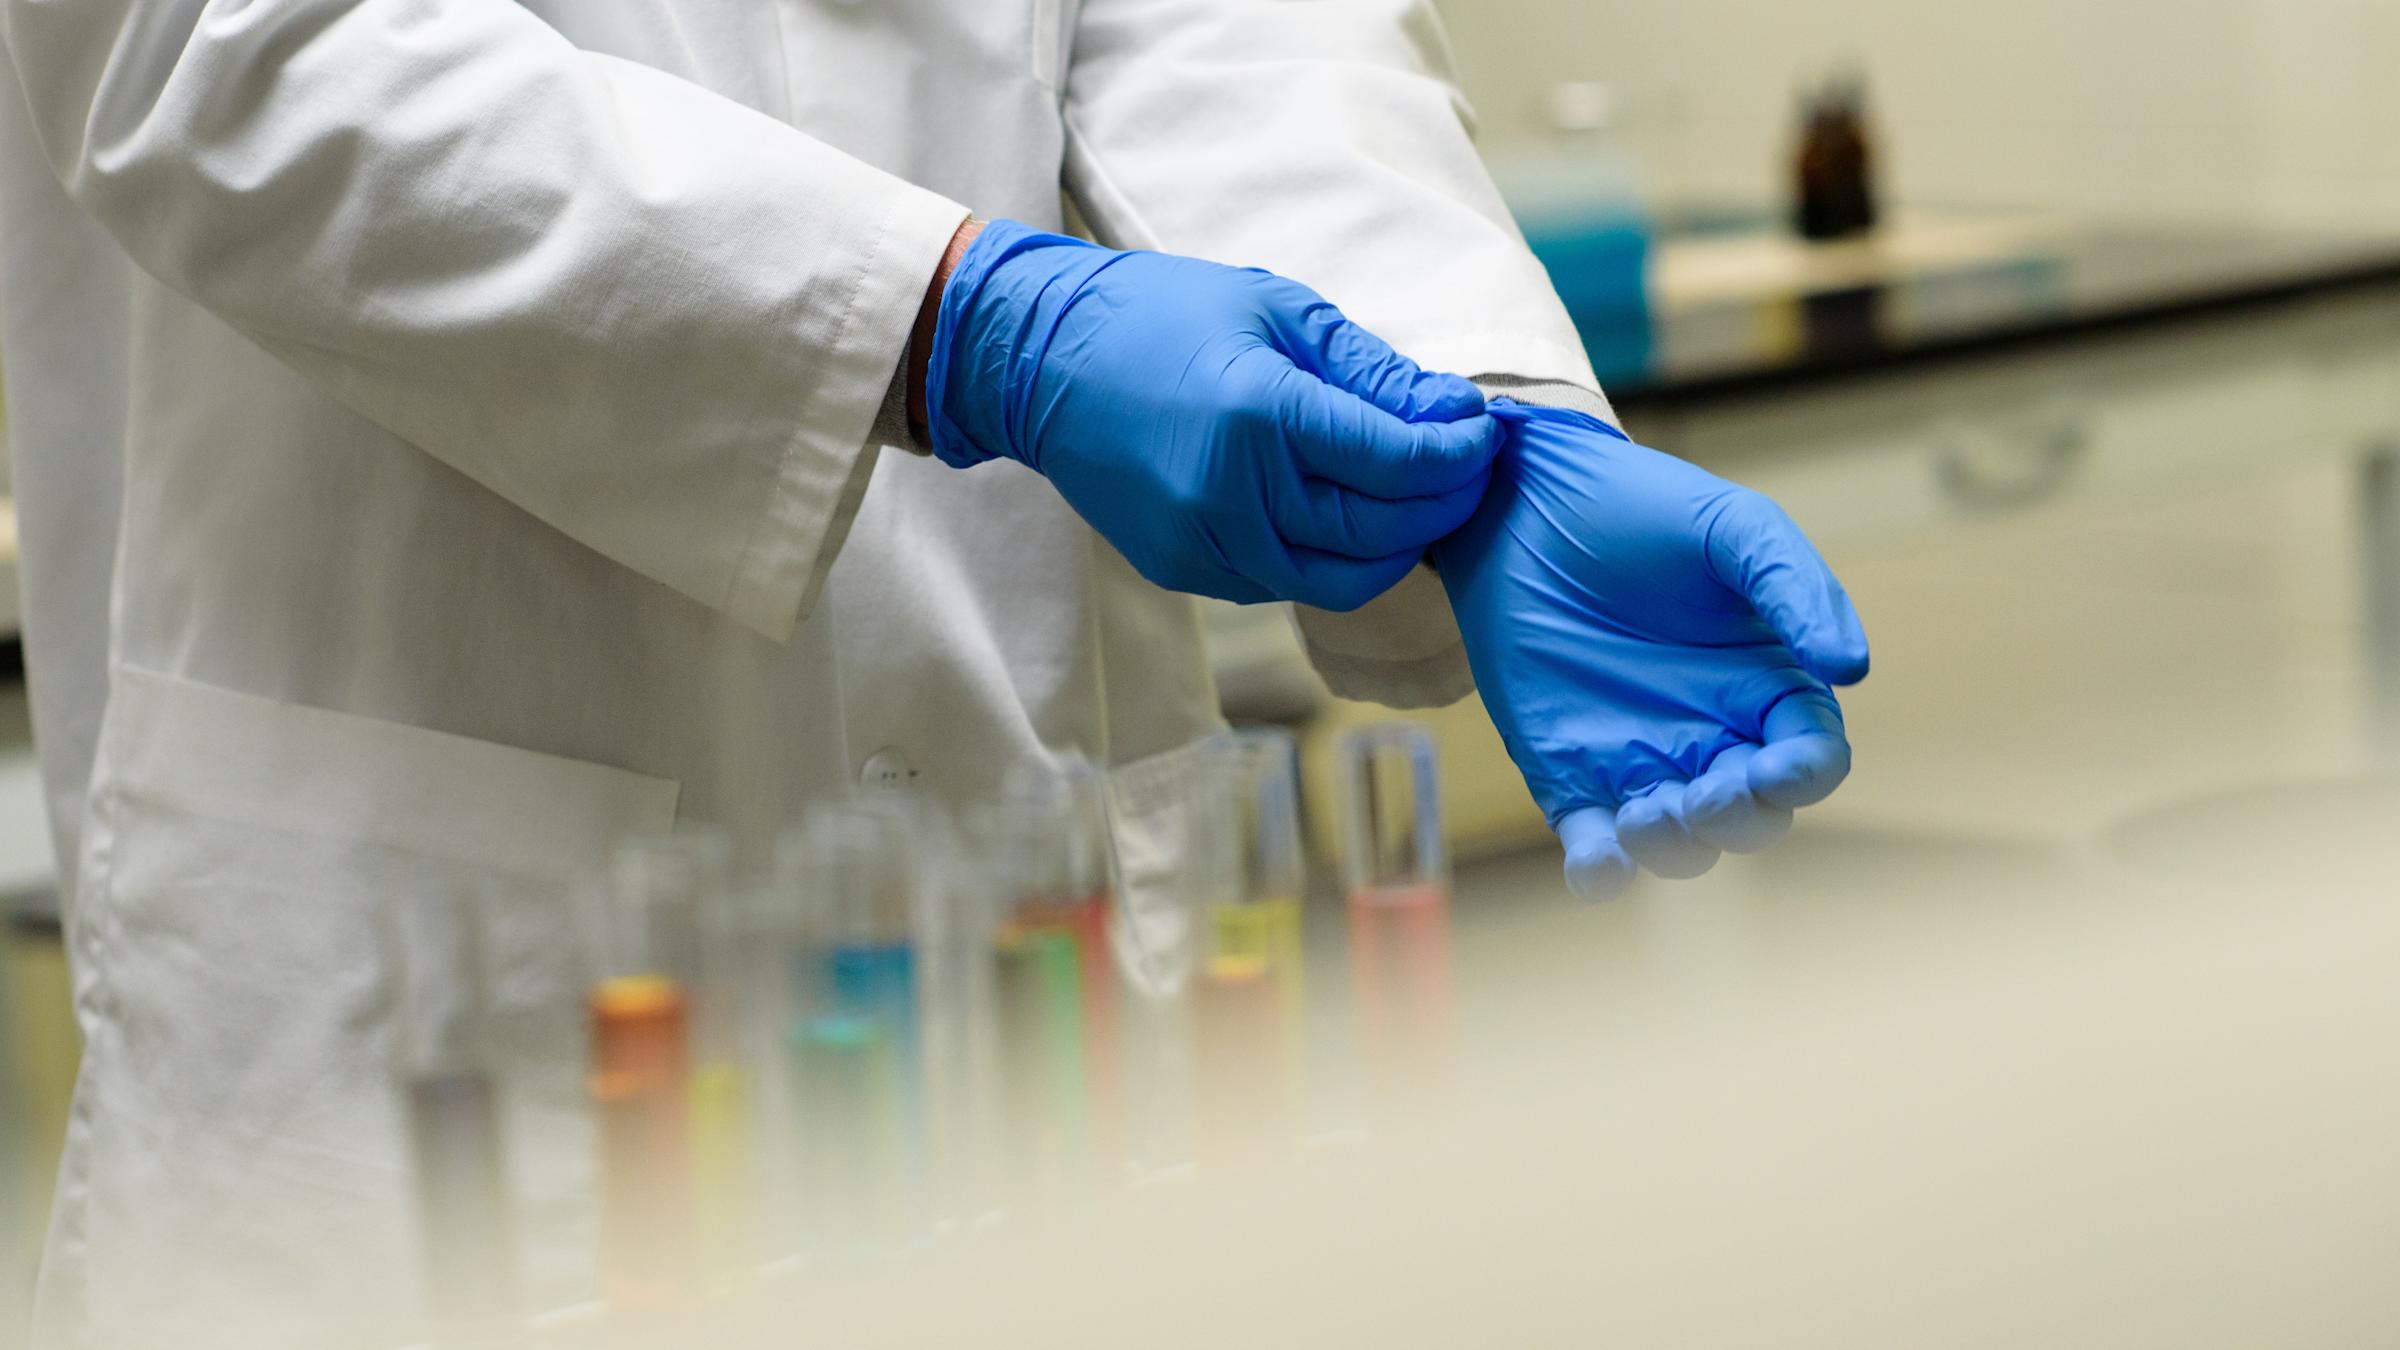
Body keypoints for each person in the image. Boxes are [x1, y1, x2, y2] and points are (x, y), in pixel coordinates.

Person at [0, 0, 1866, 1343]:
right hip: (439, 943)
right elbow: (210, 49)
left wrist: (1460, 427)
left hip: (1030, 861)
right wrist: (953, 320)